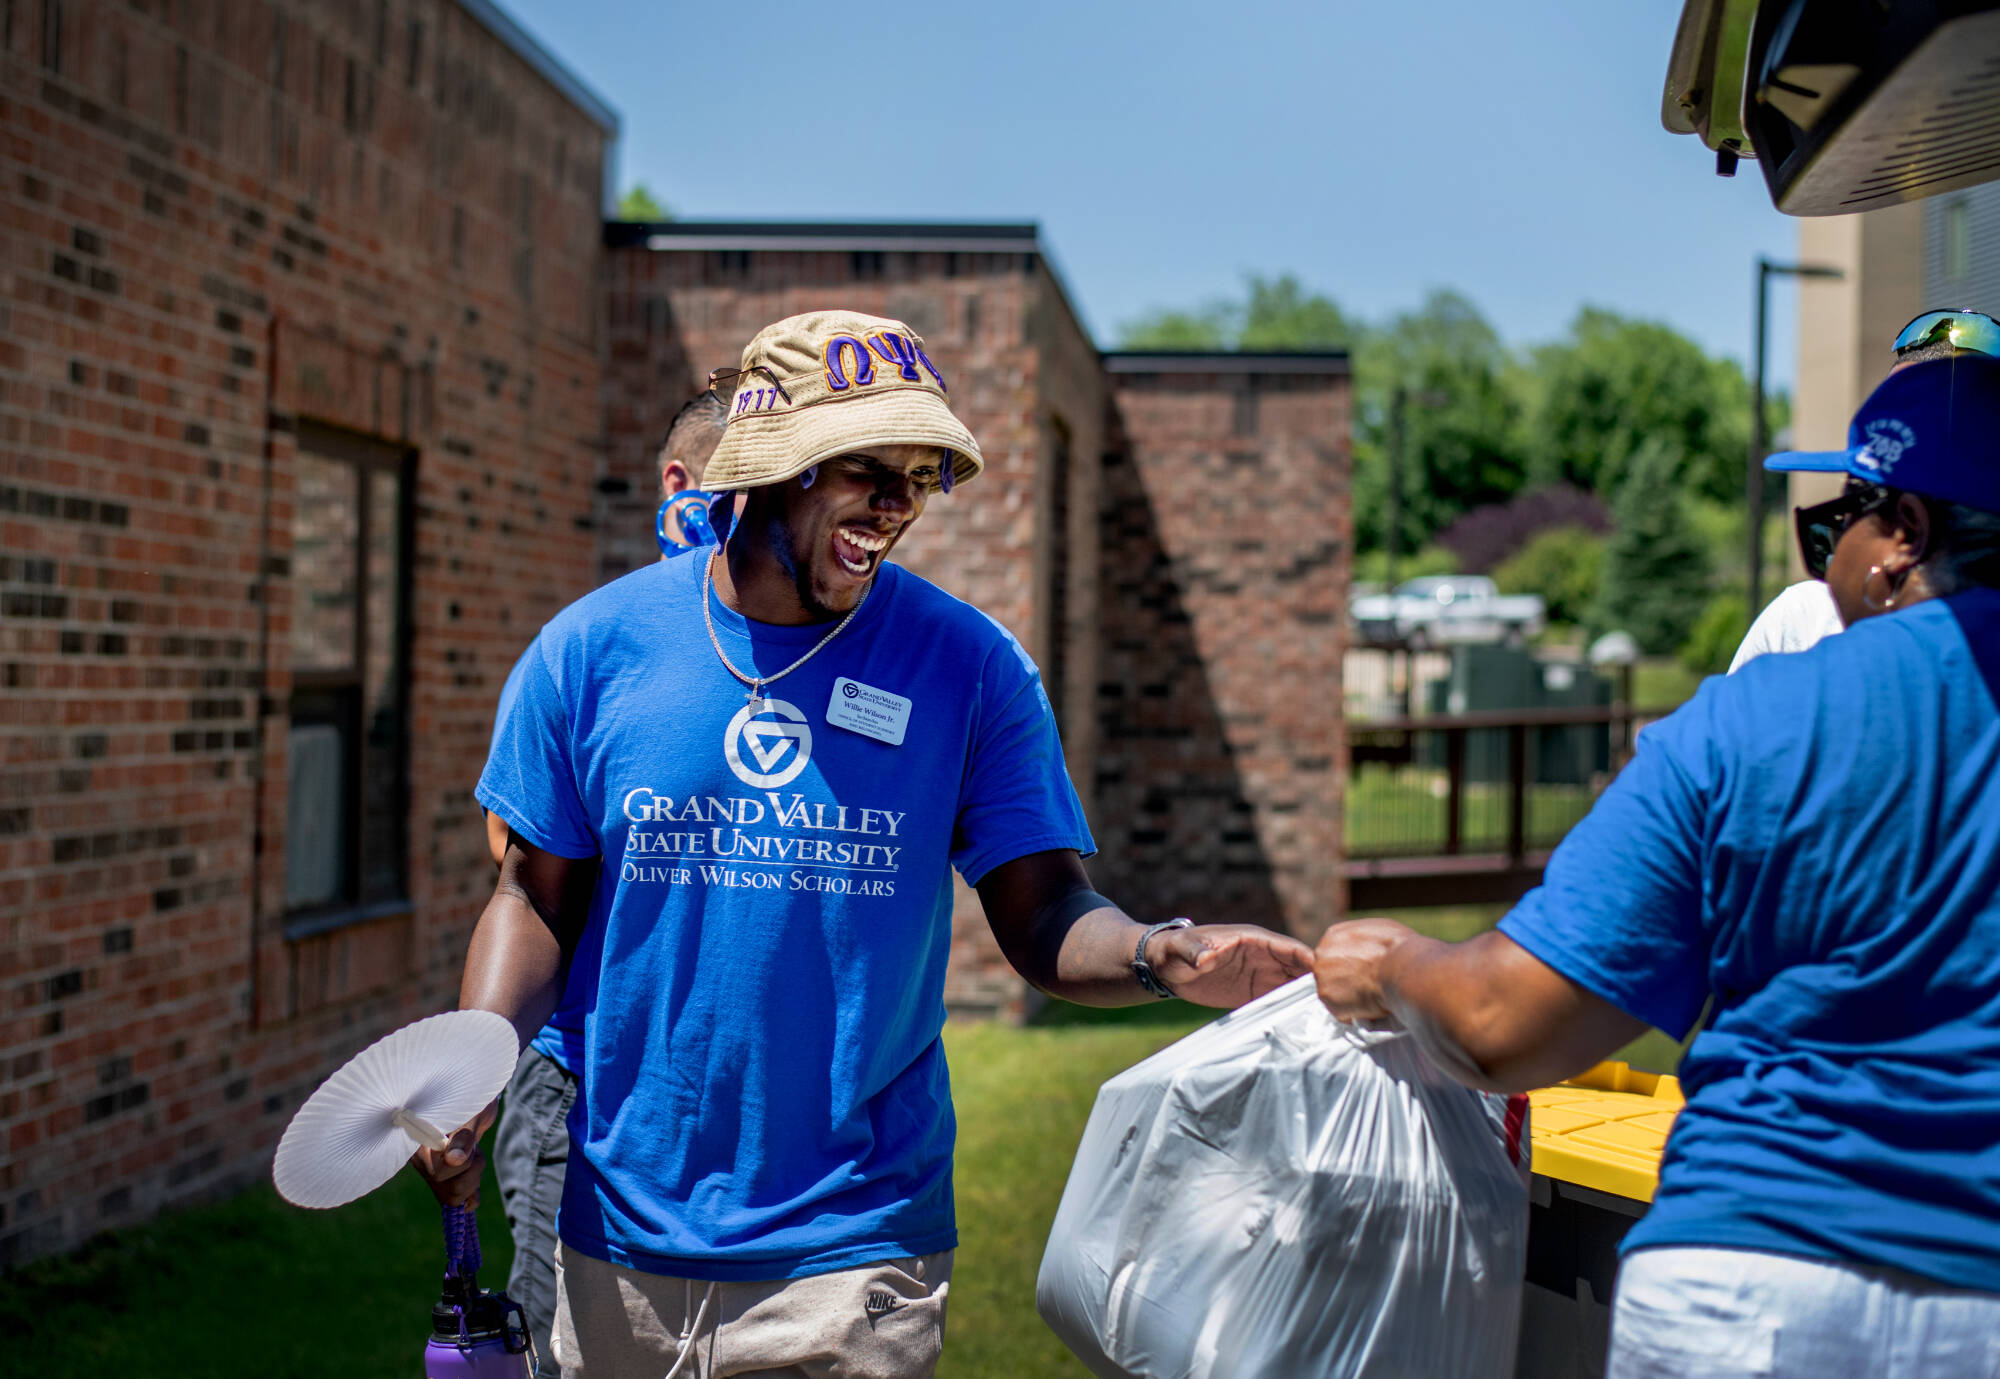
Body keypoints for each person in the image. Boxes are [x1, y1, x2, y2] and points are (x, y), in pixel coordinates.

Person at [429, 310, 1311, 1378]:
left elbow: (1041, 912)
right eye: (863, 466)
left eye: (919, 473)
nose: (896, 502)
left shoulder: (970, 667)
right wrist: (467, 1062)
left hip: (853, 1248)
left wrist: (1155, 951)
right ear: (769, 464)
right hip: (616, 1234)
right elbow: (532, 900)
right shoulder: (592, 651)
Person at [1315, 355, 2000, 1378]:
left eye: (1831, 525)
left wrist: (1392, 966)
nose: (1820, 562)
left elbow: (1504, 1023)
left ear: (1901, 530)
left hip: (1755, 1275)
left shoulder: (1751, 721)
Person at [482, 390, 731, 1376]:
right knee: (564, 1349)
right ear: (682, 487)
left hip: (737, 1108)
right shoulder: (602, 642)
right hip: (582, 1078)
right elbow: (515, 850)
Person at [1732, 306, 2000, 671]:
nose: (1838, 543)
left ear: (1910, 528)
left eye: (1860, 503)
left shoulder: (1806, 629)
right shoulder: (1803, 618)